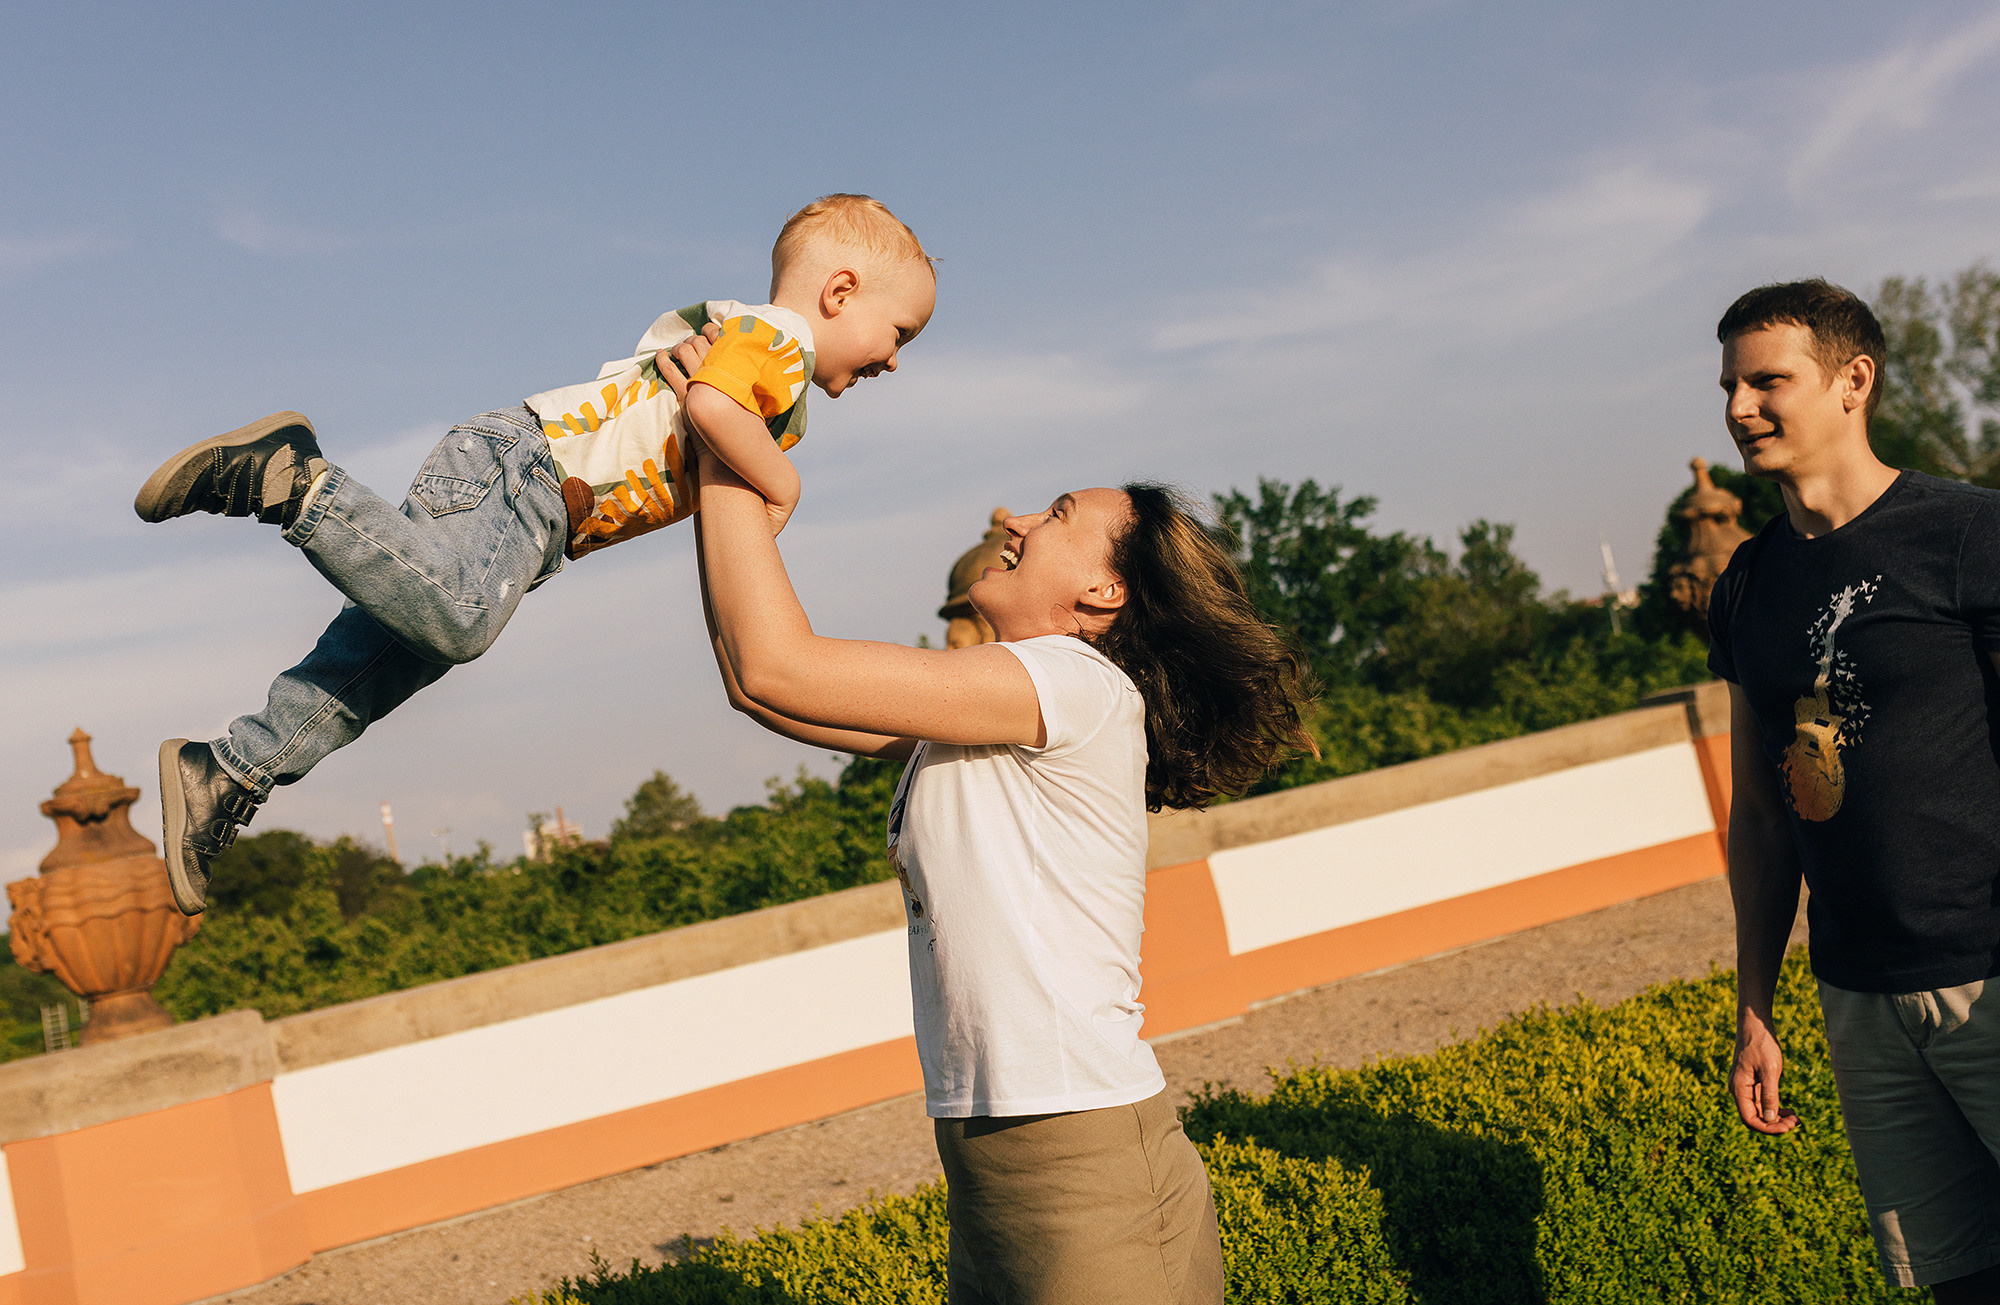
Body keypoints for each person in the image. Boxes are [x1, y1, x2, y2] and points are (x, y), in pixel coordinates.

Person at [656, 333, 1313, 1304]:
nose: (1007, 517)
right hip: (997, 1163)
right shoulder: (994, 713)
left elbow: (774, 663)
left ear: (1103, 592)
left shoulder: (1071, 683)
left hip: (1085, 1168)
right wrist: (720, 456)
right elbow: (757, 689)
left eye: (1052, 515)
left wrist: (729, 428)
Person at [130, 194, 936, 916]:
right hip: (528, 474)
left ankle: (229, 769)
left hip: (530, 493)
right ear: (839, 292)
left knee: (377, 665)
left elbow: (693, 411)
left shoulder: (758, 355)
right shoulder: (781, 341)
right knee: (461, 621)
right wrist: (782, 482)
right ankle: (290, 480)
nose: (895, 359)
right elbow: (711, 402)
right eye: (898, 333)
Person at [1708, 279, 2000, 1301]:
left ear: (1851, 382)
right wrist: (1755, 1004)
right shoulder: (1743, 582)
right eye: (1729, 387)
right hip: (1857, 1000)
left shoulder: (1966, 535)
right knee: (1953, 1280)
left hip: (1986, 975)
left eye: (1765, 382)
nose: (1739, 409)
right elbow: (1758, 810)